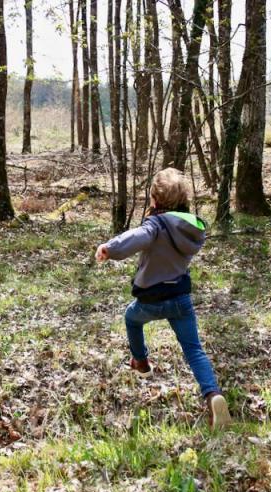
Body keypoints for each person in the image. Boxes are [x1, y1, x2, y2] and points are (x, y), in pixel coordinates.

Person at [95, 168, 229, 429]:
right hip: (180, 298)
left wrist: (109, 248)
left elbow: (135, 238)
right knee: (194, 349)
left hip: (152, 299)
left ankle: (141, 362)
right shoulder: (191, 227)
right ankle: (213, 394)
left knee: (132, 319)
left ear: (155, 199)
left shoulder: (156, 225)